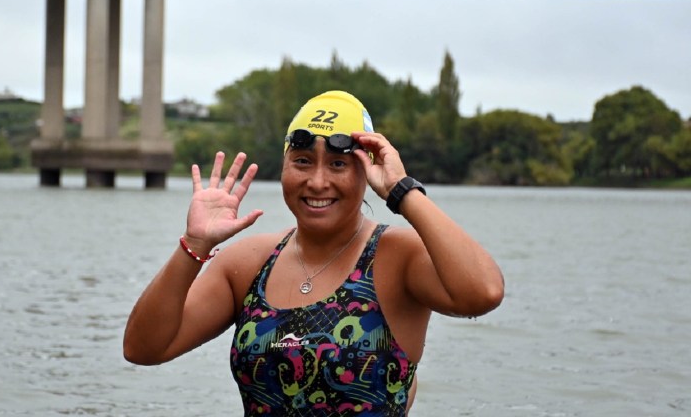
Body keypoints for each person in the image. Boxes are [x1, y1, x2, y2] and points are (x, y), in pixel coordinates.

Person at [124, 90, 504, 416]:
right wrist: (196, 244)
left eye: (339, 164)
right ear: (285, 166)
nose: (317, 181)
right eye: (302, 161)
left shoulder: (395, 257)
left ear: (365, 173)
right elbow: (144, 348)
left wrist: (401, 191)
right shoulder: (249, 263)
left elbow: (483, 292)